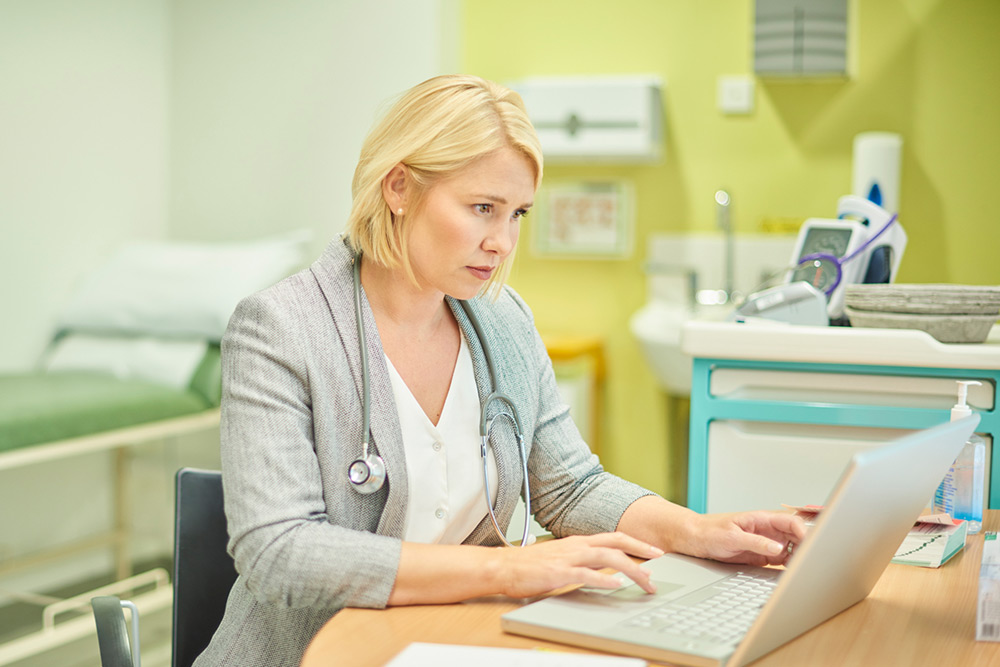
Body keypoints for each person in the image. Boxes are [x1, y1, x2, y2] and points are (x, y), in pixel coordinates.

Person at [194, 74, 805, 667]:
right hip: (315, 655)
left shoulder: (503, 321)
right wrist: (510, 570)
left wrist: (695, 531)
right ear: (399, 188)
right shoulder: (281, 329)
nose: (503, 242)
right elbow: (278, 551)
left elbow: (570, 487)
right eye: (483, 207)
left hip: (450, 641)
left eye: (518, 214)